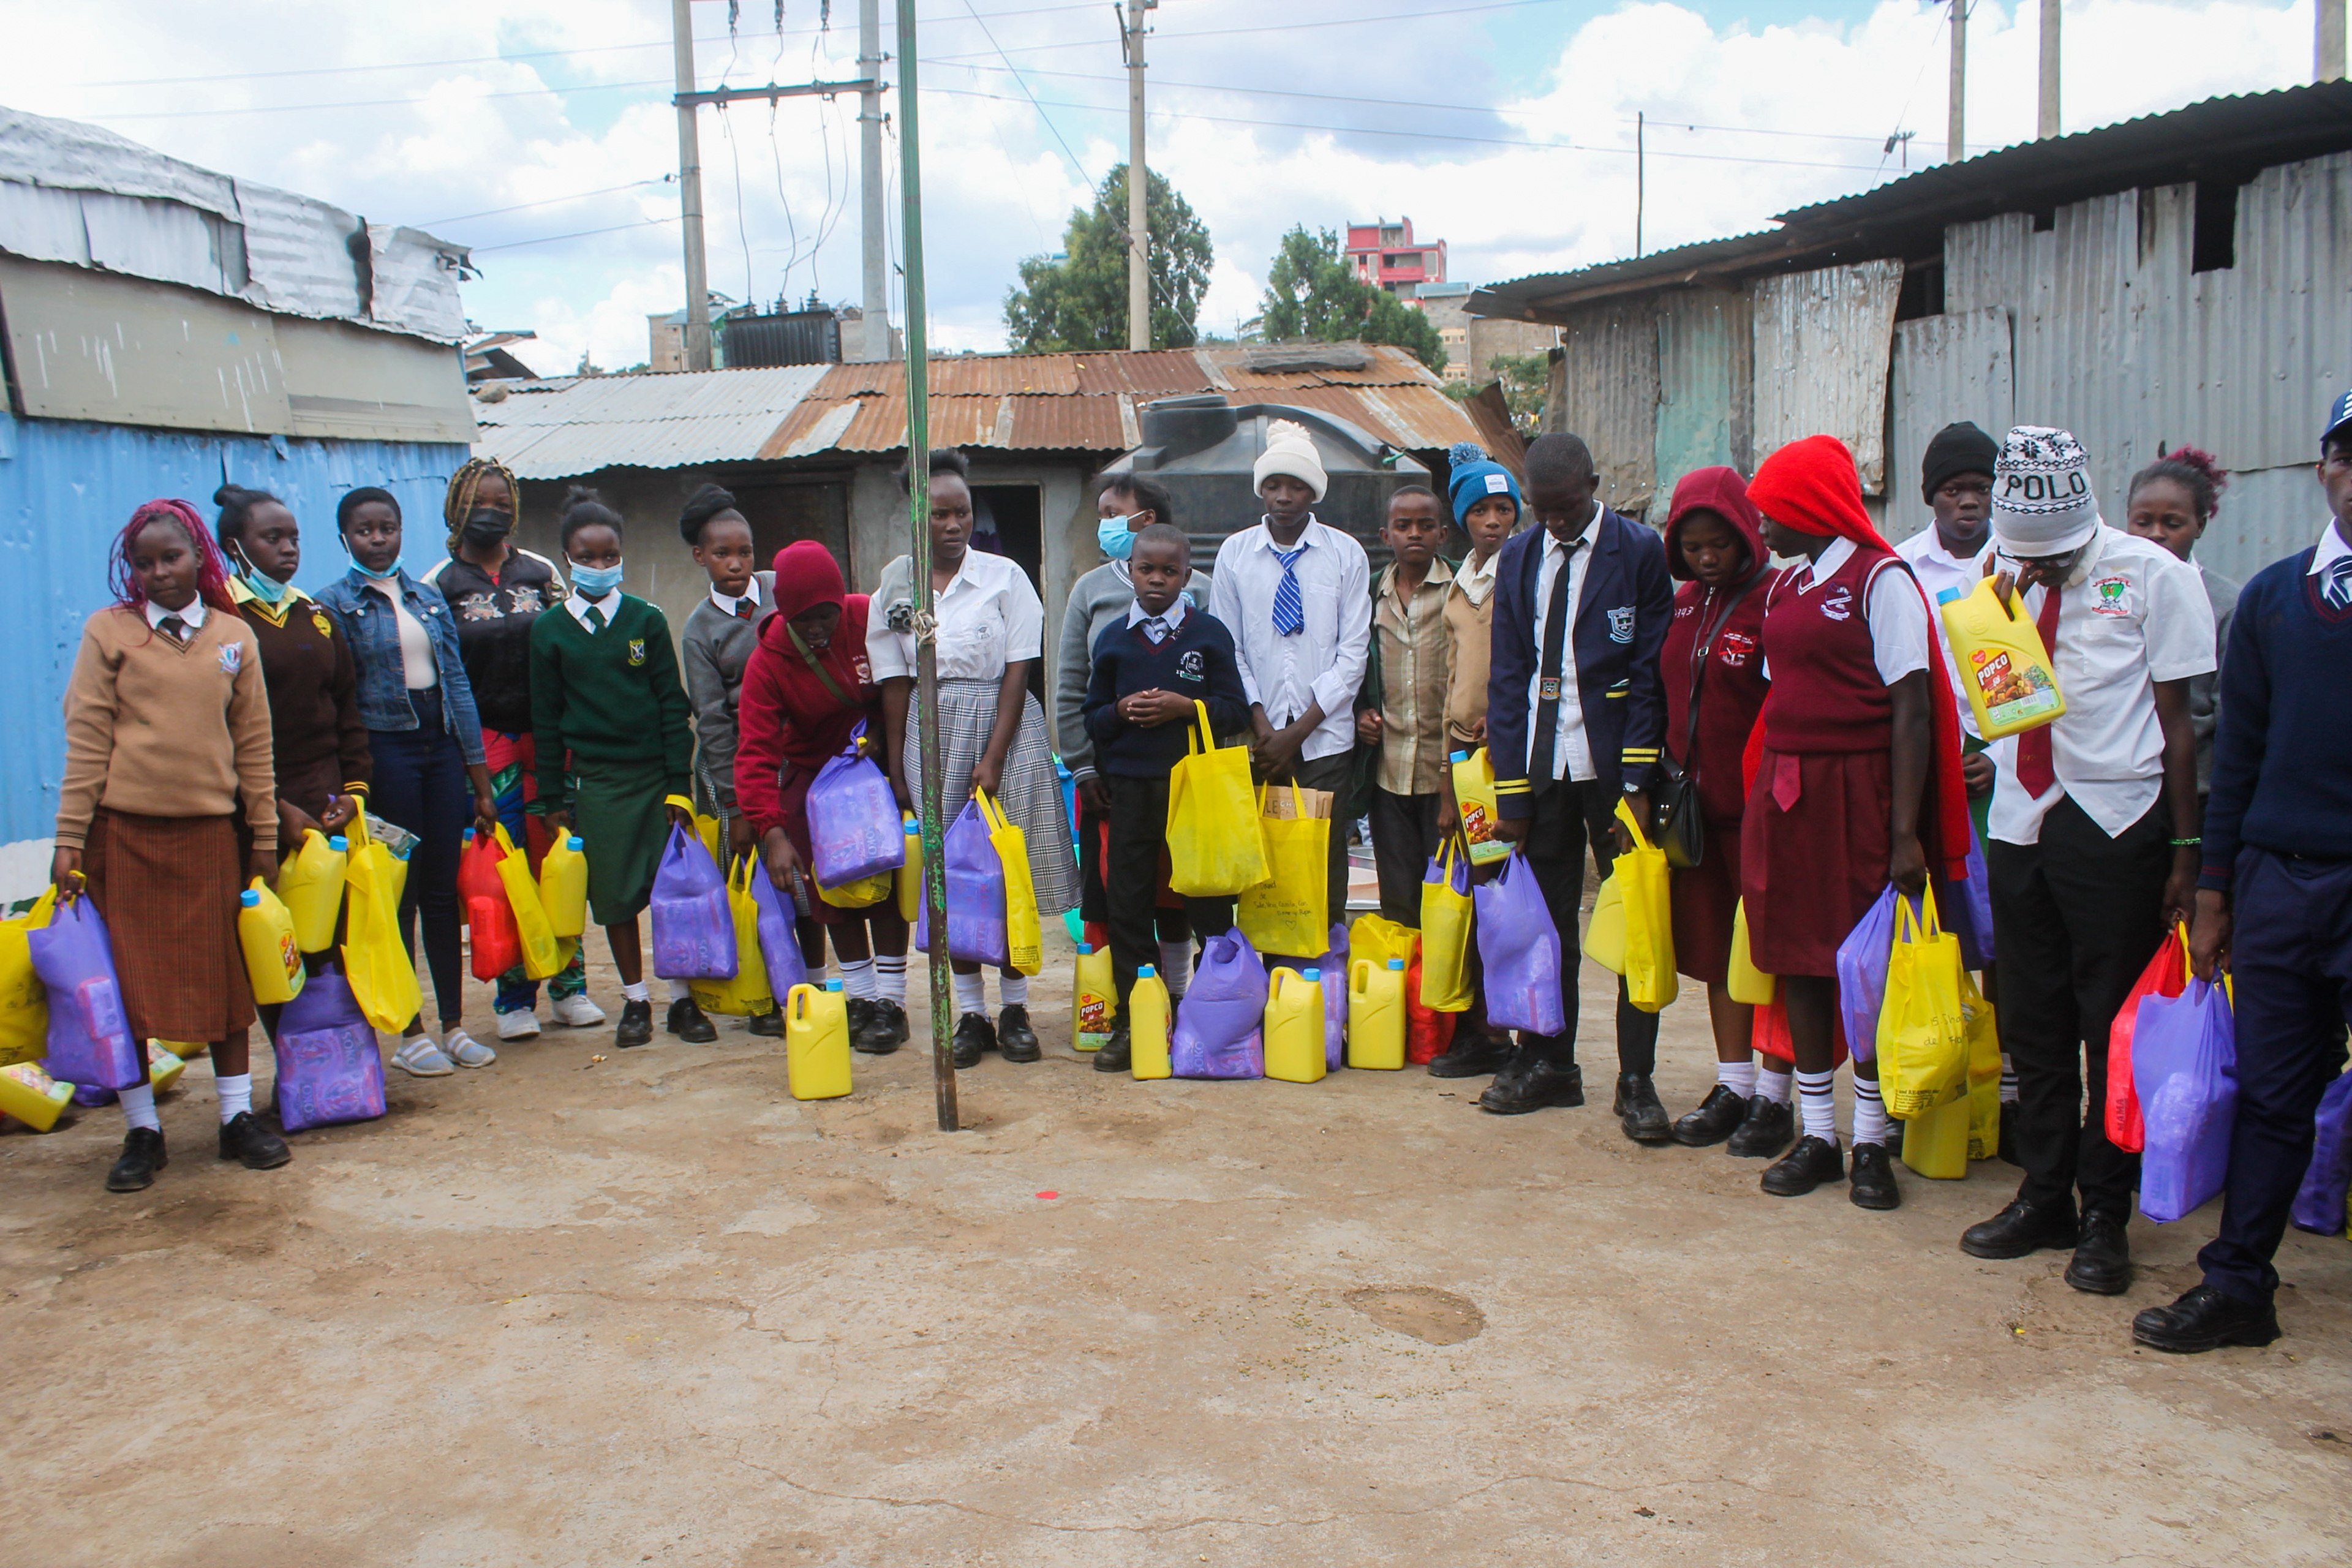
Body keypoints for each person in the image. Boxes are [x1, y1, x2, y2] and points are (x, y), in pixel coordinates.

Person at [1954, 427, 2211, 1287]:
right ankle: (2045, 1191)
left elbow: (2182, 729)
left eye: (2057, 556)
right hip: (2023, 815)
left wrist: (2184, 853)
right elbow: (1998, 709)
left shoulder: (2155, 577)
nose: (2047, 567)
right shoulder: (1996, 582)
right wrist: (2003, 614)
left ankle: (2106, 1211)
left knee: (2111, 1025)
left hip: (2119, 821)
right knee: (2035, 1017)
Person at [2133, 394, 2352, 1354]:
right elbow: (2242, 756)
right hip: (2281, 884)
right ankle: (2237, 1287)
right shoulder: (2272, 599)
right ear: (2324, 471)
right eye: (2348, 456)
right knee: (2271, 1093)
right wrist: (2214, 892)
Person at [1740, 435, 1975, 1208]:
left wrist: (1906, 832)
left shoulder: (1883, 581)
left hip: (1860, 791)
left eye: (1773, 511)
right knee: (1798, 960)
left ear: (1808, 507)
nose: (1762, 526)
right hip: (1789, 795)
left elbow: (1912, 709)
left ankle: (1871, 1143)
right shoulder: (1785, 587)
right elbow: (1781, 697)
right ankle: (1818, 1132)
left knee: (1861, 970)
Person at [53, 499, 289, 1191]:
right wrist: (70, 838)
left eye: (171, 558)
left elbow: (255, 745)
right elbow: (88, 736)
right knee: (128, 991)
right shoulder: (111, 632)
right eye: (144, 562)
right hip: (123, 838)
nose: (158, 572)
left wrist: (265, 836)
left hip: (211, 837)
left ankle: (236, 1119)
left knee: (223, 984)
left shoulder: (232, 638)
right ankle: (141, 1130)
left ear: (200, 559)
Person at [1480, 432, 1675, 1137]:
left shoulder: (1638, 551)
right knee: (1546, 924)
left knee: (1633, 924)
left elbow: (1651, 669)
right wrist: (1513, 792)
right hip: (1542, 763)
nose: (1556, 523)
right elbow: (1508, 673)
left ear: (1594, 484)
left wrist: (1639, 779)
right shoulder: (1521, 556)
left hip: (1614, 765)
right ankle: (1553, 1062)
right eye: (1544, 511)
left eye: (1567, 508)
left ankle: (1637, 1078)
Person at [870, 448, 1079, 1067]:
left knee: (1007, 872)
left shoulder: (1004, 577)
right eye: (939, 514)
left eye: (961, 511)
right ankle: (970, 1013)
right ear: (916, 514)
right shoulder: (895, 585)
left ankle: (1015, 1010)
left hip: (1004, 731)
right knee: (953, 881)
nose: (953, 524)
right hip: (930, 733)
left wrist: (992, 758)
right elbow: (893, 679)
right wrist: (897, 765)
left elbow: (1019, 672)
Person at [317, 488, 500, 1077]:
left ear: (401, 531)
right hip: (383, 753)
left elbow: (458, 686)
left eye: (388, 528)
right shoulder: (333, 606)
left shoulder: (426, 596)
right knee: (399, 893)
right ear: (344, 537)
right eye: (365, 530)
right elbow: (339, 701)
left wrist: (481, 781)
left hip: (440, 746)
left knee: (444, 893)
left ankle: (453, 1025)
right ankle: (409, 1030)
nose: (378, 539)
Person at [421, 457, 600, 1040]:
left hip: (548, 741)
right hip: (487, 745)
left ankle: (570, 987)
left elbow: (568, 648)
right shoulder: (437, 585)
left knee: (560, 861)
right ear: (457, 509)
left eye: (501, 503)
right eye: (479, 503)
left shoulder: (541, 572)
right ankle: (515, 997)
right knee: (505, 870)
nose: (491, 513)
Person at [529, 487, 706, 1049]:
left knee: (671, 893)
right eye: (587, 557)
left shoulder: (645, 620)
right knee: (616, 897)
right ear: (567, 560)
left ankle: (683, 1000)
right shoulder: (550, 631)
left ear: (622, 556)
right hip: (599, 784)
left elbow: (672, 708)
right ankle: (636, 1001)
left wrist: (680, 786)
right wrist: (554, 798)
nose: (600, 567)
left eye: (610, 556)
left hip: (655, 778)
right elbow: (547, 720)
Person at [1651, 467, 1790, 1153]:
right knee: (1714, 953)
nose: (1708, 558)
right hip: (1693, 813)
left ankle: (1777, 1094)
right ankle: (1732, 1083)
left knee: (1772, 953)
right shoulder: (1682, 604)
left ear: (1748, 534)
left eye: (1720, 544)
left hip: (1762, 811)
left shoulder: (1777, 599)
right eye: (1695, 547)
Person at [1081, 523, 1251, 1072]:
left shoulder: (1208, 635)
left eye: (1169, 572)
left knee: (1207, 897)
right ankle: (1139, 1019)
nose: (1157, 581)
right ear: (1129, 571)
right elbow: (1093, 718)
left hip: (1194, 789)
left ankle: (1214, 1015)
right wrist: (1120, 711)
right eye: (1146, 570)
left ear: (1187, 575)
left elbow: (1234, 710)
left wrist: (1185, 707)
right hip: (1130, 789)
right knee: (1128, 903)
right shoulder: (1111, 638)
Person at [735, 539, 913, 1054]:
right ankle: (859, 998)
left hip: (877, 778)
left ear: (842, 604)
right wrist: (772, 831)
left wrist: (886, 739)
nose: (818, 630)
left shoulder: (865, 618)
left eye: (825, 617)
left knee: (883, 886)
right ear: (785, 614)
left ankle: (892, 1002)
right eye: (805, 620)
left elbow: (904, 682)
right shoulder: (768, 662)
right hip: (815, 788)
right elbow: (755, 752)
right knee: (831, 891)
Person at [1895, 421, 2015, 1142]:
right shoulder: (1904, 568)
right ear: (1931, 496)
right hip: (1932, 758)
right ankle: (1944, 1068)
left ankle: (2015, 1082)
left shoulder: (2018, 562)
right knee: (1943, 928)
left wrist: (1997, 757)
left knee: (2008, 927)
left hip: (2004, 761)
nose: (1968, 503)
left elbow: (2039, 677)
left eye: (1979, 489)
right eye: (1954, 490)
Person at [1207, 420, 1371, 927]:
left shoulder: (1346, 554)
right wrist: (1266, 731)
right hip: (1258, 742)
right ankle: (1270, 977)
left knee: (1323, 864)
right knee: (1262, 863)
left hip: (1325, 743)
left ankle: (1324, 974)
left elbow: (1354, 653)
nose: (1284, 497)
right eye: (1274, 485)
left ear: (1313, 491)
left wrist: (1298, 733)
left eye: (1297, 486)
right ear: (1261, 489)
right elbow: (1227, 649)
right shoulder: (1235, 554)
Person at [1056, 473, 1214, 1001]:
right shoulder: (1091, 592)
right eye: (1099, 513)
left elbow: (1226, 686)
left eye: (1110, 513)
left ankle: (1177, 994)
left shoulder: (1202, 597)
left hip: (1188, 777)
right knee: (1125, 892)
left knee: (1181, 891)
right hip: (1115, 776)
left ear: (1146, 521)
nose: (1102, 525)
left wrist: (1187, 710)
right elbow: (1073, 686)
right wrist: (1082, 765)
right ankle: (1138, 1005)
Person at [1424, 443, 1524, 1080]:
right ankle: (1477, 1025)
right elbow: (1451, 679)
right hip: (1464, 759)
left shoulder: (1521, 570)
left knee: (1502, 893)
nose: (1494, 521)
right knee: (1474, 890)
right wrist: (1444, 771)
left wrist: (1505, 728)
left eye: (1504, 509)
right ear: (1463, 519)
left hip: (1504, 758)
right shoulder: (1461, 583)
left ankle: (1503, 1028)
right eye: (1482, 510)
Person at [676, 484, 783, 1038]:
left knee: (794, 881)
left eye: (745, 552)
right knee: (747, 878)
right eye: (722, 554)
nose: (737, 564)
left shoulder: (778, 595)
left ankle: (799, 986)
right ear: (700, 557)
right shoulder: (700, 630)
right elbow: (713, 722)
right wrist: (738, 804)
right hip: (739, 768)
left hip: (790, 757)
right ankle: (758, 998)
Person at [215, 484, 369, 857]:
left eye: (294, 539)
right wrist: (270, 808)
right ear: (235, 547)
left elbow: (346, 706)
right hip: (254, 802)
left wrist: (355, 791)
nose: (289, 549)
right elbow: (213, 729)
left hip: (326, 792)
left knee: (334, 908)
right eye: (273, 538)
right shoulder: (218, 618)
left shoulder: (315, 615)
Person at [1357, 485, 1456, 925]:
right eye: (1403, 526)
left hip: (1447, 775)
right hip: (1389, 771)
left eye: (1426, 525)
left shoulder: (1461, 592)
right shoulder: (1367, 596)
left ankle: (1449, 990)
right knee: (1398, 896)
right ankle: (1404, 989)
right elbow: (1353, 665)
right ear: (1385, 535)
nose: (1414, 534)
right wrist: (1362, 711)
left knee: (1451, 893)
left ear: (1443, 534)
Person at [2124, 447, 2240, 802]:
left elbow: (2230, 715)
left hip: (2196, 791)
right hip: (2119, 790)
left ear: (2200, 525)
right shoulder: (2107, 595)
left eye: (2172, 524)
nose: (2156, 534)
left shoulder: (2226, 604)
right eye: (2143, 522)